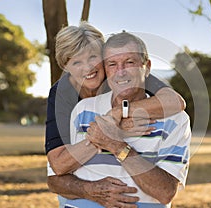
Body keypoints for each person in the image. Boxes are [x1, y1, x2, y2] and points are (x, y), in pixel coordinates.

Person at [45, 22, 186, 207]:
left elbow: (176, 102)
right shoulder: (63, 94)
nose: (88, 68)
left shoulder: (124, 73)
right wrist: (113, 129)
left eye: (93, 58)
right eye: (76, 62)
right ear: (66, 67)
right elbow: (58, 165)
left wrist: (119, 113)